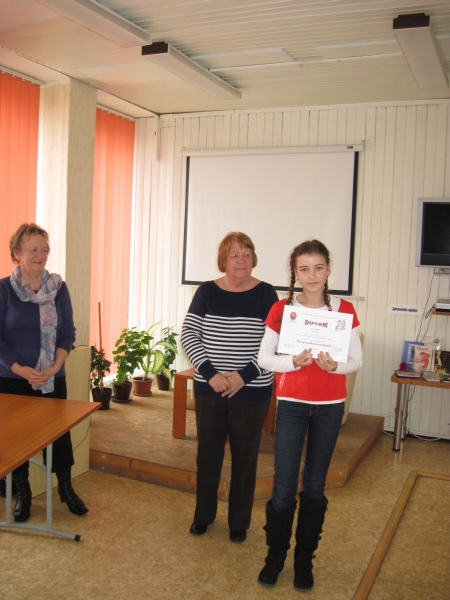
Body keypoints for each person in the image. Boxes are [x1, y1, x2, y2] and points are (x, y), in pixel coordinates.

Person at [257, 239, 363, 591]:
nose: (312, 275)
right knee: (284, 487)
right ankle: (275, 558)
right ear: (295, 273)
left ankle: (304, 561)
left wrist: (335, 367)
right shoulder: (282, 309)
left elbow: (356, 360)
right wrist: (293, 361)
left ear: (328, 270)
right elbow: (264, 358)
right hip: (292, 404)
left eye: (318, 268)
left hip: (329, 408)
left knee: (315, 486)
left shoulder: (344, 309)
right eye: (304, 269)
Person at [181, 232, 278, 543]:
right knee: (207, 456)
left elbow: (276, 343)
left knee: (245, 458)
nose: (241, 260)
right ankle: (203, 516)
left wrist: (243, 376)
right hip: (209, 388)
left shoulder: (266, 294)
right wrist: (211, 374)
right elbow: (189, 335)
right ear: (223, 260)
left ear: (254, 259)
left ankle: (239, 522)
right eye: (234, 254)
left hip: (252, 390)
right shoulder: (207, 291)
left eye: (247, 253)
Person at [0, 223, 88, 522]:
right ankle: (23, 493)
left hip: (52, 376)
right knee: (16, 439)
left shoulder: (59, 288)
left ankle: (65, 487)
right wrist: (19, 369)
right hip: (11, 378)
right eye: (33, 249)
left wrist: (55, 366)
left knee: (58, 435)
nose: (40, 255)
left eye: (45, 249)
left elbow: (67, 332)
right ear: (16, 253)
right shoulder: (3, 289)